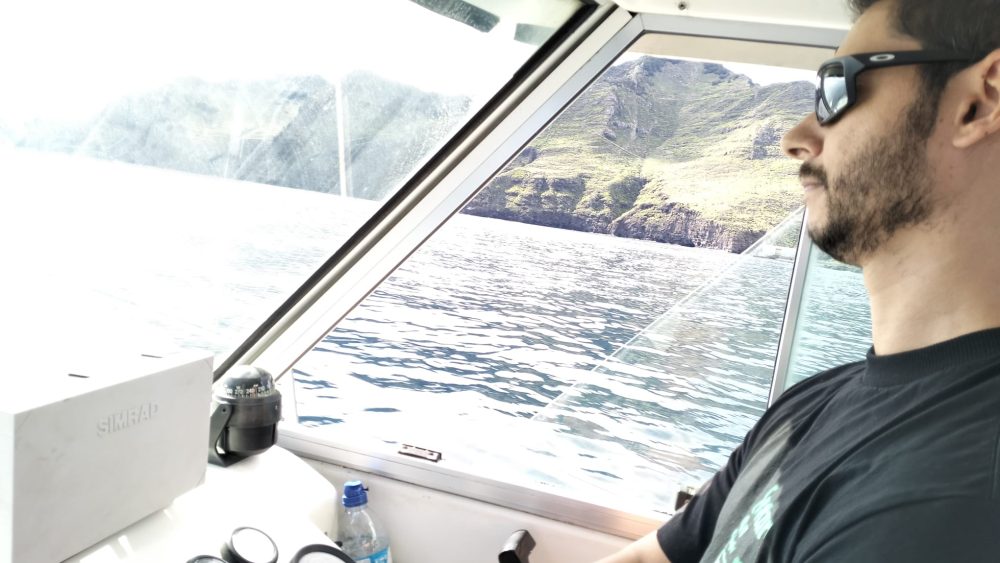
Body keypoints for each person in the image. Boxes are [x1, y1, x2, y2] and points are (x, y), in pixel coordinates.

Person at [595, 0, 1000, 561]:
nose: (796, 137)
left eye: (837, 86)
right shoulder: (815, 402)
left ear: (981, 101)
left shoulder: (952, 508)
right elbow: (653, 557)